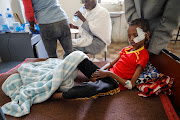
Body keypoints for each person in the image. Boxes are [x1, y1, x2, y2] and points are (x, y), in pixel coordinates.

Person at [52, 18, 150, 100]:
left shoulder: (143, 56)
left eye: (135, 35)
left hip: (114, 83)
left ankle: (56, 95)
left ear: (146, 34)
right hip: (106, 74)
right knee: (79, 56)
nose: (131, 39)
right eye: (129, 36)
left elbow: (131, 85)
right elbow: (111, 63)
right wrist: (100, 72)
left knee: (90, 89)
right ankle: (59, 77)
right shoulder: (127, 49)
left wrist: (109, 74)